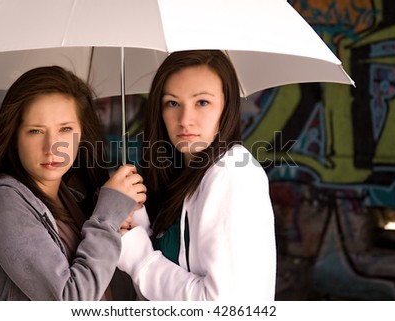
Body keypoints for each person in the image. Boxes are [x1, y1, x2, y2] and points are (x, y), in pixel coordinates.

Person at [0, 66, 146, 300]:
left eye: (65, 129)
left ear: (82, 135)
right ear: (13, 136)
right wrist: (107, 219)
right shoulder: (1, 203)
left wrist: (118, 225)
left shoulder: (74, 199)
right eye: (36, 131)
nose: (52, 147)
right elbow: (70, 300)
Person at [117, 50, 277, 300]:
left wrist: (139, 259)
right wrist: (138, 224)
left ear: (227, 107)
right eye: (172, 103)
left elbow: (223, 305)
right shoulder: (184, 175)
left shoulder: (233, 172)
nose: (185, 119)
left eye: (202, 102)